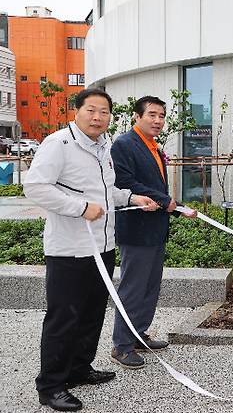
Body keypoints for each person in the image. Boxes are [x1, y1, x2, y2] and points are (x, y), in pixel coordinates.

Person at [24, 89, 158, 411]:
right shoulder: (58, 144)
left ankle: (80, 368)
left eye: (104, 112)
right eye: (91, 110)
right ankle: (51, 385)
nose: (97, 117)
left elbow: (105, 189)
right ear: (77, 111)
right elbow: (35, 187)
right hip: (69, 250)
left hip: (103, 245)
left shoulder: (104, 146)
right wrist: (80, 207)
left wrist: (131, 198)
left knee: (92, 314)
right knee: (63, 318)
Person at [110, 96, 197, 369]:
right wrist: (168, 202)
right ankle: (121, 346)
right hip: (136, 229)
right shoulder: (124, 144)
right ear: (137, 116)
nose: (158, 121)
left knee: (150, 287)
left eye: (161, 116)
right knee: (133, 288)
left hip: (156, 228)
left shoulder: (153, 146)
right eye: (152, 115)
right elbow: (126, 183)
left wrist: (177, 207)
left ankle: (138, 335)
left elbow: (155, 186)